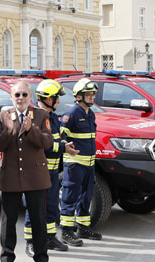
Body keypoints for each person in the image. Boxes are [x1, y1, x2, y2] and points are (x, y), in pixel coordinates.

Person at [0, 81, 52, 262]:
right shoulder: (3, 116)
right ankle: (7, 258)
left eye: (24, 95)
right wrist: (9, 131)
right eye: (17, 95)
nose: (21, 98)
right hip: (11, 173)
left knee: (38, 219)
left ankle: (41, 258)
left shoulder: (41, 115)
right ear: (11, 97)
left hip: (35, 174)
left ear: (30, 97)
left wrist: (30, 130)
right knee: (8, 221)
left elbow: (47, 142)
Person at [23, 79, 80, 256]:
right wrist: (62, 148)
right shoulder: (34, 117)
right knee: (34, 207)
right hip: (38, 172)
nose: (59, 102)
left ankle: (49, 237)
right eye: (56, 98)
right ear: (47, 99)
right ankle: (31, 242)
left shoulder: (53, 118)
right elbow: (43, 145)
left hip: (53, 171)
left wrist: (65, 145)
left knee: (51, 206)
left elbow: (56, 139)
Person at [60, 78, 102, 244]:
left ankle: (83, 228)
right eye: (88, 94)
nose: (92, 97)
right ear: (78, 96)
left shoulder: (90, 114)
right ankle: (66, 232)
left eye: (93, 94)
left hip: (89, 164)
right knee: (70, 196)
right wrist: (66, 146)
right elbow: (61, 137)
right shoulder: (71, 115)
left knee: (86, 196)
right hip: (75, 164)